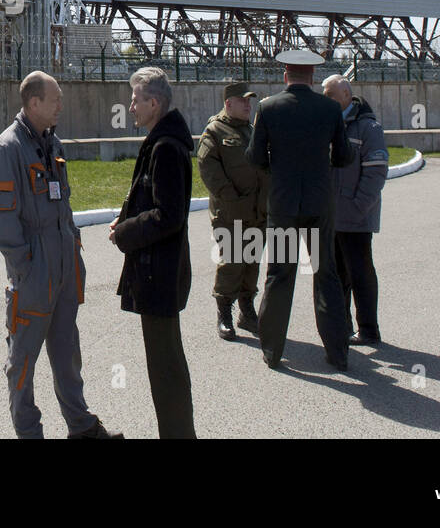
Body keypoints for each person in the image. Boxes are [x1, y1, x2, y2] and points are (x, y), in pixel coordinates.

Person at [0, 70, 121, 439]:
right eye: (55, 99)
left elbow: (62, 204)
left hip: (64, 267)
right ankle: (30, 432)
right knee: (23, 362)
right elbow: (3, 223)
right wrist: (26, 269)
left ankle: (81, 427)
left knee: (67, 353)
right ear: (33, 103)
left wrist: (72, 252)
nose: (61, 104)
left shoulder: (52, 144)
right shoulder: (9, 148)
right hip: (35, 272)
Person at [244, 49, 355, 371]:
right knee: (326, 275)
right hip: (320, 204)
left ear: (285, 76)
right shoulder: (330, 109)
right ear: (313, 77)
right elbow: (344, 156)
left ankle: (272, 351)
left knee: (279, 276)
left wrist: (276, 170)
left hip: (283, 204)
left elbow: (254, 157)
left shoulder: (268, 108)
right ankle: (338, 353)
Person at [108, 67, 197, 438]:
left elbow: (168, 215)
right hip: (157, 272)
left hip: (158, 274)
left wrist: (126, 232)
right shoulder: (161, 141)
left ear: (154, 103)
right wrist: (126, 217)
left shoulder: (165, 147)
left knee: (165, 369)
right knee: (165, 365)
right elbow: (156, 202)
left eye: (135, 100)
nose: (130, 106)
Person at [197, 83, 269, 340]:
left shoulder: (251, 130)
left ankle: (247, 311)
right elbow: (209, 170)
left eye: (250, 101)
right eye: (243, 101)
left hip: (256, 211)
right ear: (228, 104)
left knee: (251, 262)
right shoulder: (215, 131)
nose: (248, 106)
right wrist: (233, 199)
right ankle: (224, 313)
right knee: (232, 262)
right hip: (229, 213)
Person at [321, 74, 388, 345]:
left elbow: (376, 174)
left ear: (347, 95)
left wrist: (357, 208)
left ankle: (369, 329)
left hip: (356, 217)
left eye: (330, 96)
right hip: (332, 217)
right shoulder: (329, 125)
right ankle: (344, 327)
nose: (326, 100)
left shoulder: (368, 128)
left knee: (360, 273)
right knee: (337, 275)